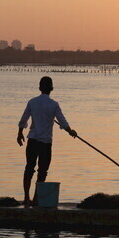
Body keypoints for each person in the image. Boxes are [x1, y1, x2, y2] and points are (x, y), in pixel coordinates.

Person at [17, 76, 77, 206]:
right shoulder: (54, 105)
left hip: (32, 141)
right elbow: (63, 122)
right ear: (52, 89)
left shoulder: (32, 102)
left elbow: (23, 120)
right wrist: (71, 131)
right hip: (45, 143)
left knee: (29, 169)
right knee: (42, 172)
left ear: (39, 88)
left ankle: (26, 198)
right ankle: (36, 199)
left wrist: (20, 134)